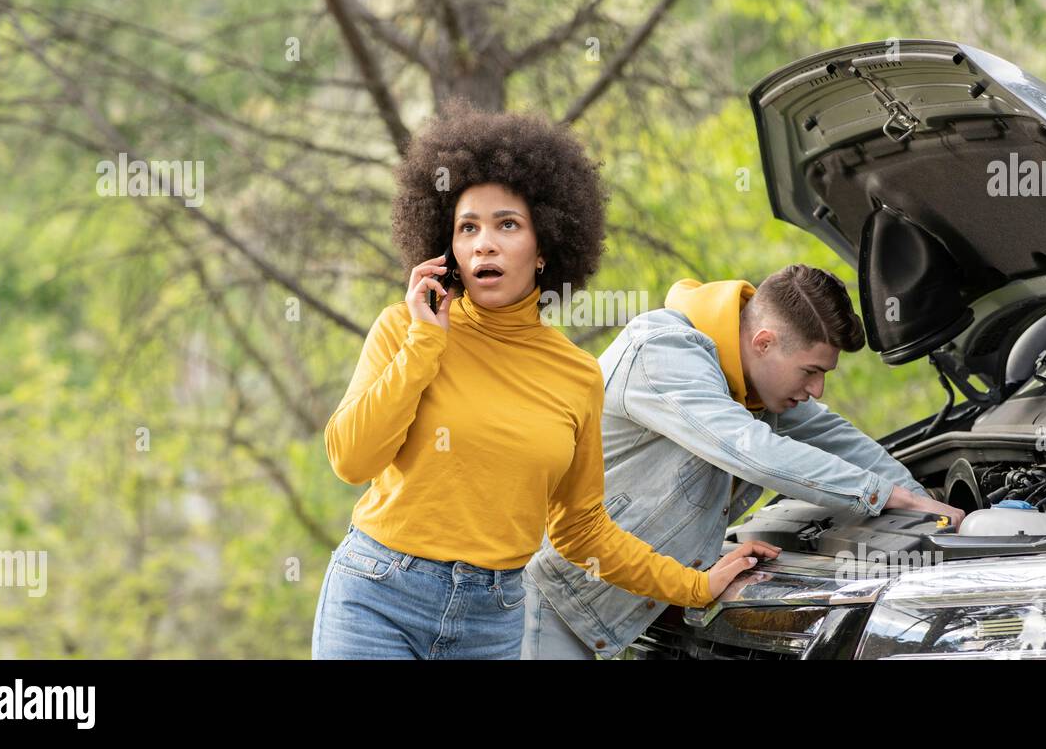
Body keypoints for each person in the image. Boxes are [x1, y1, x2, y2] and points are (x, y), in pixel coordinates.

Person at [310, 101, 776, 660]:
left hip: (495, 619)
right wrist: (424, 345)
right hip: (377, 598)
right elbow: (350, 460)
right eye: (468, 228)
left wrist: (695, 586)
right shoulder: (404, 330)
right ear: (448, 248)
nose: (485, 242)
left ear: (544, 250)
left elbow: (583, 531)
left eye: (507, 225)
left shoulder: (576, 376)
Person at [521, 264, 965, 659]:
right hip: (544, 596)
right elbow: (751, 450)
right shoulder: (662, 354)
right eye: (811, 371)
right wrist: (882, 495)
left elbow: (838, 438)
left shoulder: (755, 388)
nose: (816, 390)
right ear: (764, 342)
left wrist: (928, 511)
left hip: (612, 607)